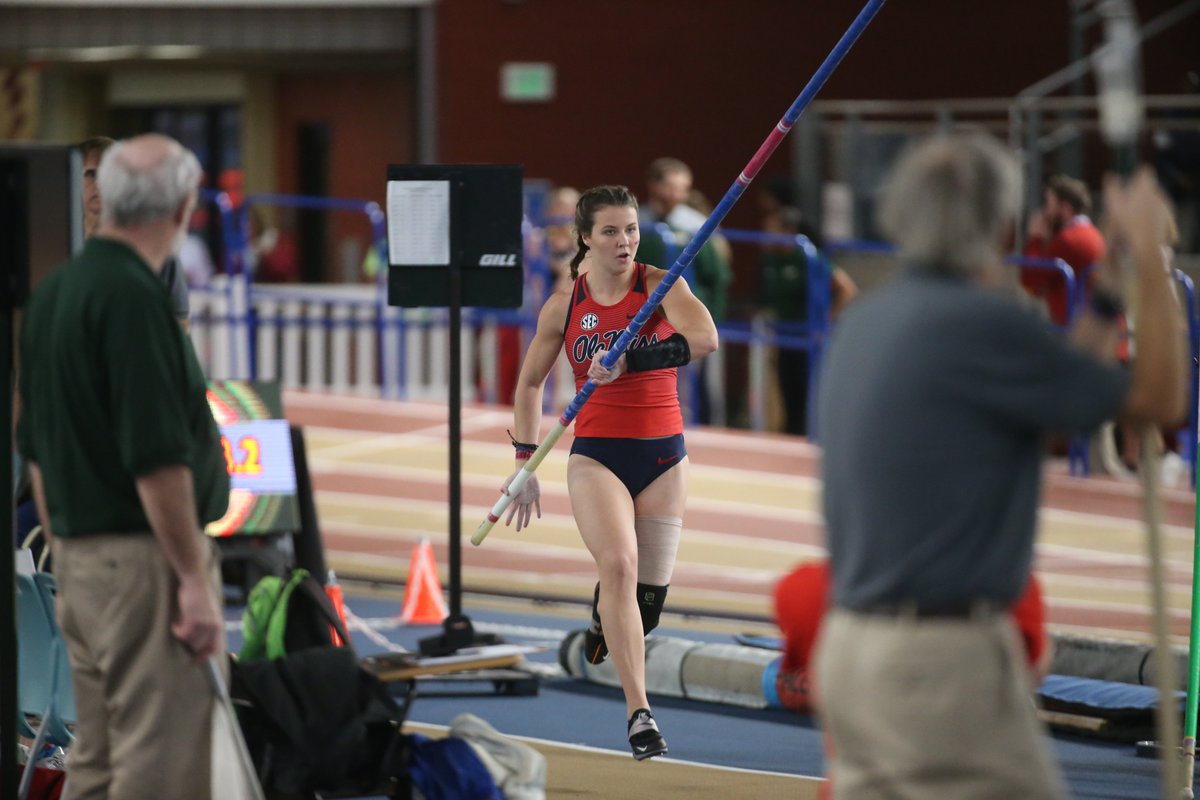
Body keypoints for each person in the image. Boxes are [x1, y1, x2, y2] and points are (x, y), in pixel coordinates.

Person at [813, 133, 1184, 800]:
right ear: (1001, 221)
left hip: (851, 647)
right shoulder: (984, 325)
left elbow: (1060, 397)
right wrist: (1153, 268)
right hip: (941, 662)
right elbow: (1158, 401)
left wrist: (1104, 297)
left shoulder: (868, 321)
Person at [17, 133, 232, 799]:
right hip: (142, 561)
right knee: (157, 758)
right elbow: (157, 458)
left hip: (80, 556)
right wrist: (191, 577)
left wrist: (63, 541)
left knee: (97, 759)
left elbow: (38, 446)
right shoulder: (137, 301)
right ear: (180, 209)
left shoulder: (52, 292)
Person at [502, 185, 718, 760]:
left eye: (631, 230)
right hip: (597, 454)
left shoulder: (660, 285)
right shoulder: (564, 306)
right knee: (619, 564)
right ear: (584, 239)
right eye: (610, 232)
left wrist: (633, 359)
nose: (624, 242)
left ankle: (607, 616)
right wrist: (524, 461)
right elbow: (528, 385)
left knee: (645, 603)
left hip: (664, 456)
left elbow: (705, 339)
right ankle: (639, 713)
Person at [635, 158, 731, 425]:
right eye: (672, 187)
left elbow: (717, 275)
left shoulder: (697, 225)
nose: (679, 195)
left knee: (686, 387)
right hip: (644, 316)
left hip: (684, 316)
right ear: (653, 186)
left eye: (683, 188)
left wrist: (712, 316)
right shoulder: (637, 222)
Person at [760, 204, 857, 436]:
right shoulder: (770, 259)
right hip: (784, 336)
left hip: (808, 337)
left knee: (810, 394)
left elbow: (847, 288)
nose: (767, 235)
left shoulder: (807, 255)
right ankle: (791, 438)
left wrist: (825, 322)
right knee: (788, 392)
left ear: (789, 231)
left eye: (773, 230)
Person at [80, 135, 192, 325]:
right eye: (91, 174)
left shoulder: (158, 254)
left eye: (108, 175)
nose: (99, 184)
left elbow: (179, 328)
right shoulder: (56, 247)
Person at [1022, 173, 1107, 324]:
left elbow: (1028, 276)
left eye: (1049, 204)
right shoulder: (1090, 233)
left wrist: (1035, 238)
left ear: (1065, 208)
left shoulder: (1070, 239)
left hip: (1068, 330)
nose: (1045, 212)